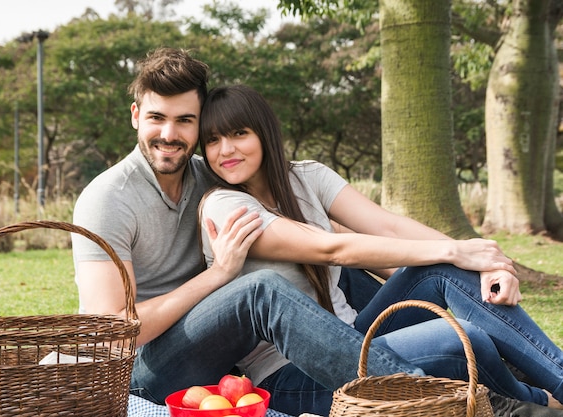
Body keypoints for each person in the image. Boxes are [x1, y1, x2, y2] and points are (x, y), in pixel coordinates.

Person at [71, 47, 426, 407]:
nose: (168, 133)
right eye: (156, 118)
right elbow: (112, 335)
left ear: (200, 123)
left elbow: (323, 231)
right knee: (260, 289)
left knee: (335, 271)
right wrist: (218, 274)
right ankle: (411, 394)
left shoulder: (210, 174)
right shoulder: (106, 199)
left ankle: (419, 343)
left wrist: (432, 259)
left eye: (184, 120)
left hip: (214, 347)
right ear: (135, 116)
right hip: (136, 373)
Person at [197, 84, 563, 416]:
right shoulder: (223, 205)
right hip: (292, 375)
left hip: (354, 335)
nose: (225, 150)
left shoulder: (306, 177)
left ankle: (555, 382)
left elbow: (387, 225)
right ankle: (535, 400)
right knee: (461, 337)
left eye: (239, 134)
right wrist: (456, 251)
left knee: (439, 268)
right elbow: (331, 249)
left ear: (264, 133)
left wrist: (484, 260)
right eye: (213, 141)